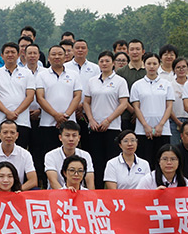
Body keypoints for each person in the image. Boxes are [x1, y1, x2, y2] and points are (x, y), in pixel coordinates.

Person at [34, 45, 83, 183]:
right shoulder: (42, 75)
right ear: (49, 57)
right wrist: (55, 115)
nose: (57, 57)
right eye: (53, 54)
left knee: (71, 157)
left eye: (60, 54)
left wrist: (65, 115)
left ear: (65, 56)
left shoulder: (74, 74)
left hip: (69, 124)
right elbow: (40, 97)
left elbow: (77, 96)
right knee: (48, 156)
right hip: (48, 124)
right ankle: (50, 184)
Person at [82, 51, 130, 189]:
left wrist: (108, 120)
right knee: (96, 161)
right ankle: (96, 190)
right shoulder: (92, 81)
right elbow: (86, 102)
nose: (104, 64)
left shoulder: (120, 81)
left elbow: (123, 104)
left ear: (113, 63)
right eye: (101, 61)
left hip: (112, 127)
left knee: (112, 161)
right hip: (95, 127)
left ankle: (111, 191)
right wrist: (91, 119)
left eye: (107, 61)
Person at [0, 43, 36, 151]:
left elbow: (30, 96)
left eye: (13, 52)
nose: (10, 55)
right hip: (0, 120)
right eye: (7, 52)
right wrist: (7, 112)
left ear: (18, 55)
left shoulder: (27, 73)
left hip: (22, 121)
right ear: (2, 55)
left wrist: (16, 112)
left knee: (20, 152)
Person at [129, 53, 175, 166]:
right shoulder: (137, 85)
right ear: (144, 65)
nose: (152, 66)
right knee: (145, 162)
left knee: (162, 162)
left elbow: (169, 106)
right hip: (142, 130)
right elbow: (136, 107)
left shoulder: (167, 84)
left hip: (163, 130)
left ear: (159, 65)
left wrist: (161, 125)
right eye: (149, 63)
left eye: (154, 63)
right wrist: (145, 125)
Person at [0, 120, 38, 190]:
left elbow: (33, 181)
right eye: (5, 132)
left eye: (12, 133)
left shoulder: (25, 154)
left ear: (17, 135)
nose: (9, 136)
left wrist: (16, 191)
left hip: (17, 191)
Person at [45, 121, 94, 190]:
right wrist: (66, 193)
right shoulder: (50, 155)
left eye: (74, 135)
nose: (71, 139)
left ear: (79, 138)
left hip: (79, 193)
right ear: (60, 137)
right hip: (57, 193)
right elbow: (53, 181)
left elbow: (90, 182)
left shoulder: (85, 155)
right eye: (67, 135)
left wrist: (91, 195)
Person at [169, 57, 188, 137]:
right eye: (178, 67)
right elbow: (168, 106)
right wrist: (177, 122)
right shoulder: (169, 86)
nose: (181, 69)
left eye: (184, 67)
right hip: (173, 120)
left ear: (187, 68)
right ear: (174, 70)